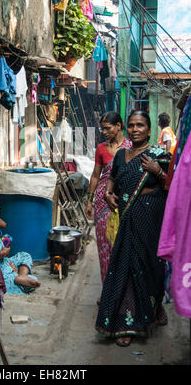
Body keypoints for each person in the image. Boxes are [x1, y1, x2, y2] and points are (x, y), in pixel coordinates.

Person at [95, 110, 172, 347]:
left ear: (149, 130)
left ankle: (155, 305)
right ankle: (126, 323)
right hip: (126, 217)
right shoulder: (121, 155)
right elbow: (111, 179)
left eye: (140, 125)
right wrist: (108, 194)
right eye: (131, 125)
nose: (135, 129)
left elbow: (173, 185)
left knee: (152, 267)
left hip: (151, 216)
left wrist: (157, 171)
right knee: (125, 268)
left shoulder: (160, 154)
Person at [85, 112, 131, 288]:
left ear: (118, 126)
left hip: (124, 200)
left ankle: (122, 289)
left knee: (122, 246)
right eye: (102, 128)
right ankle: (107, 291)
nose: (104, 131)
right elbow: (96, 176)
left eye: (108, 128)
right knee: (105, 247)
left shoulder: (130, 147)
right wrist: (89, 200)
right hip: (103, 202)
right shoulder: (101, 148)